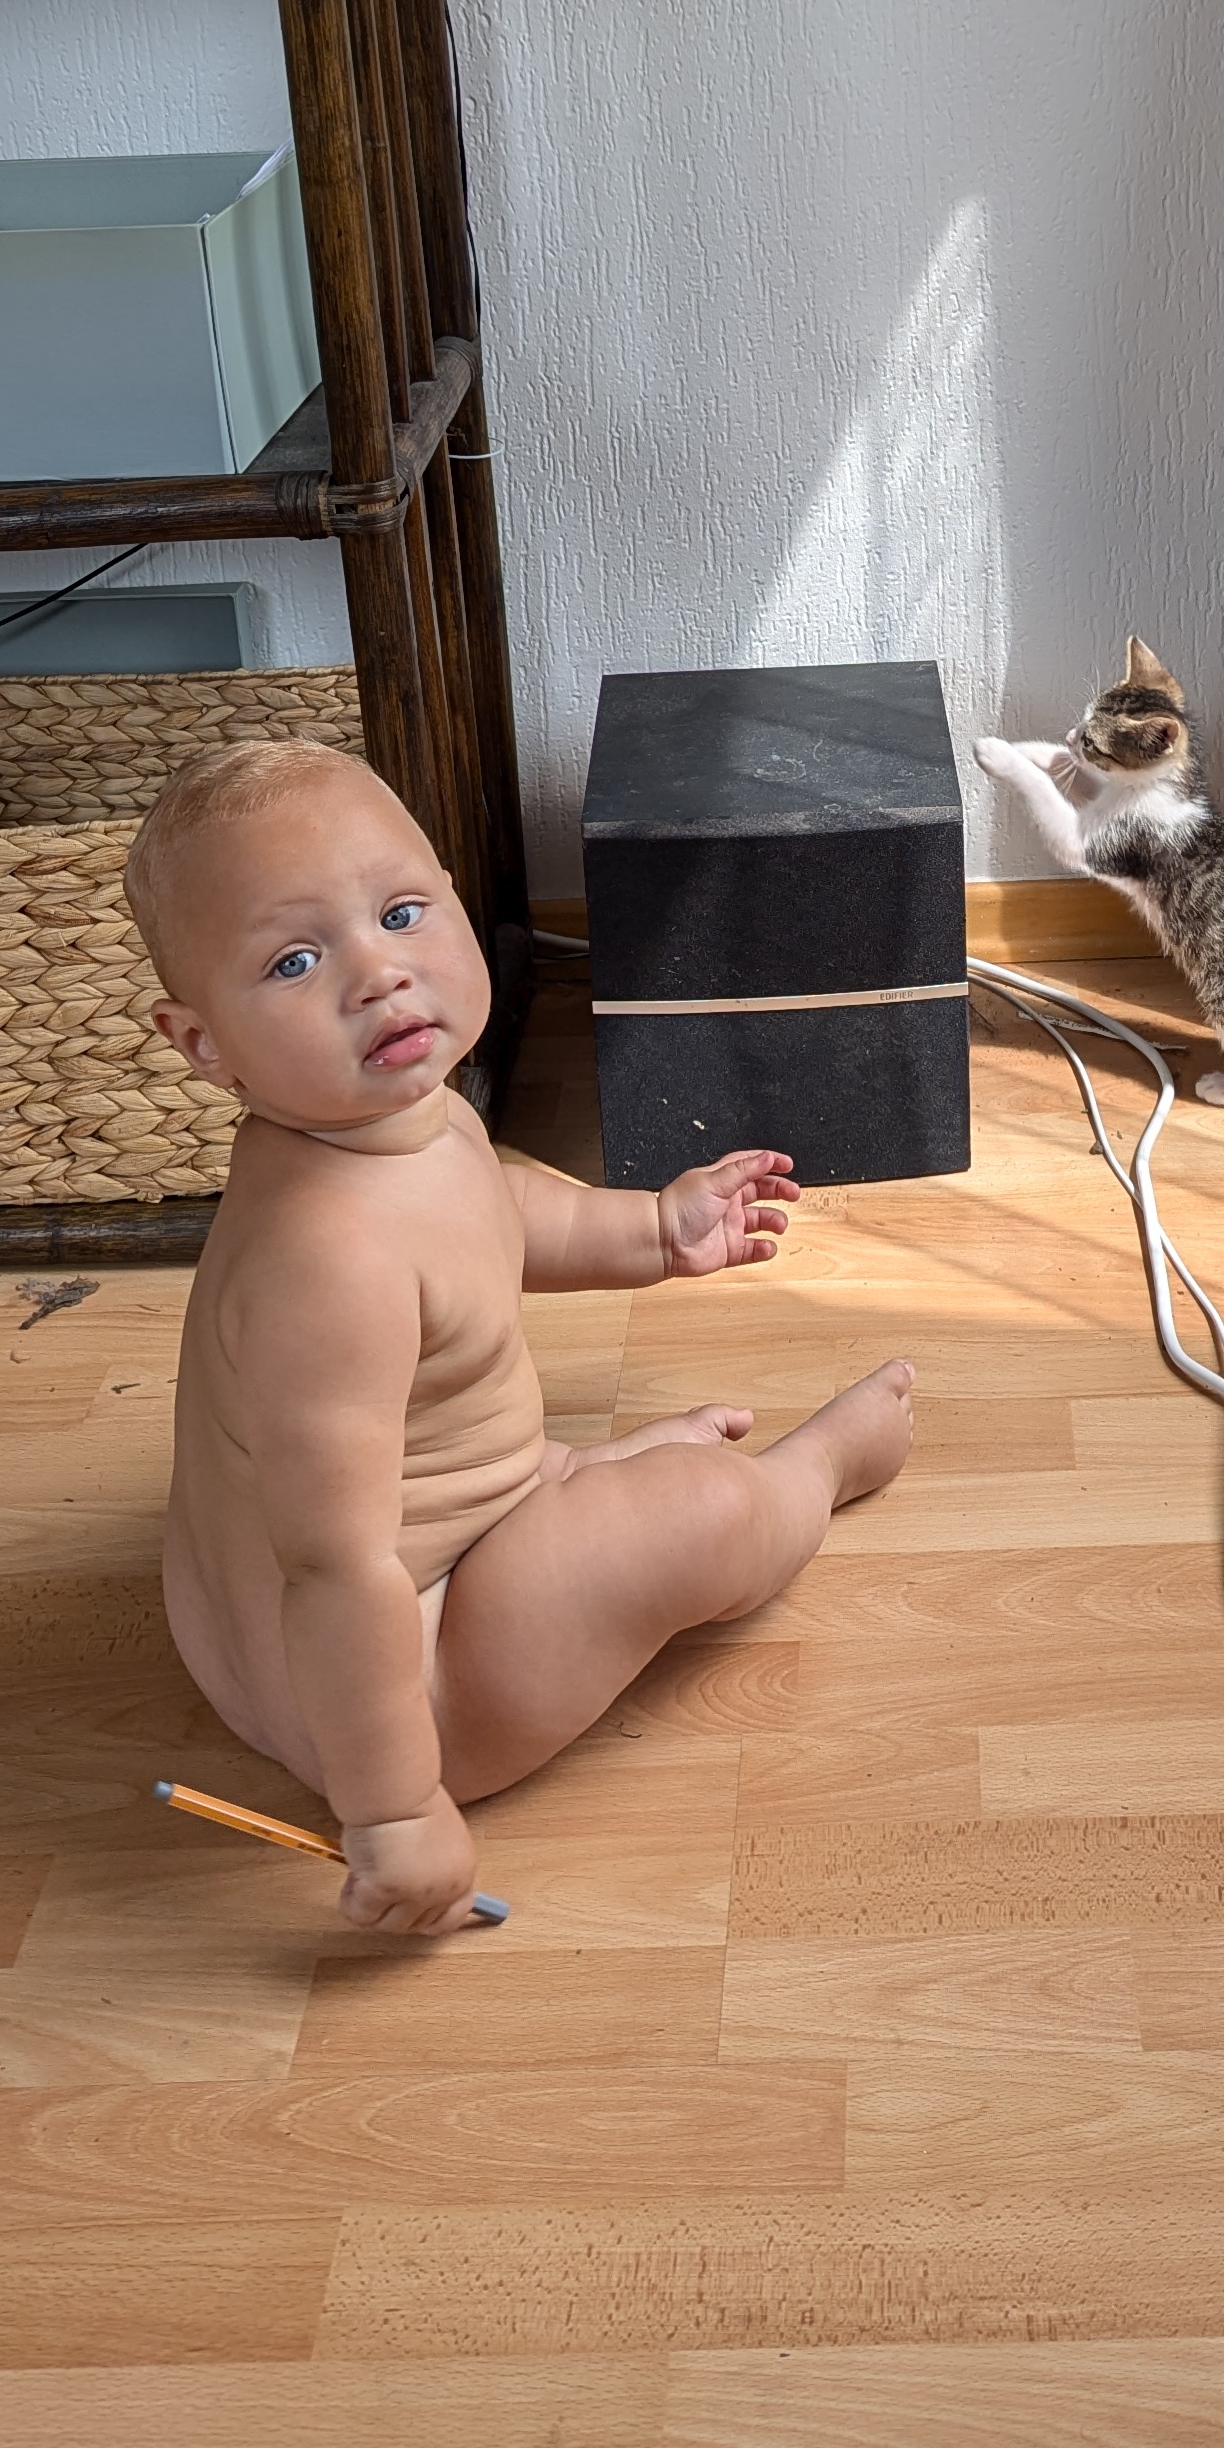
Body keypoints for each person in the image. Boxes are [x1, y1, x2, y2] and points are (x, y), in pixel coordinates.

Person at [125, 739, 916, 1934]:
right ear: (203, 1045)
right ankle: (815, 1473)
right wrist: (395, 1810)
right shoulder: (329, 1267)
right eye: (295, 960)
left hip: (288, 1625)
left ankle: (575, 1485)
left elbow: (489, 1209)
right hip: (407, 1693)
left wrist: (650, 1230)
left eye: (401, 913)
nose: (379, 974)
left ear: (453, 898)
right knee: (700, 1513)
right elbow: (339, 1571)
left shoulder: (367, 1128)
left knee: (517, 1482)